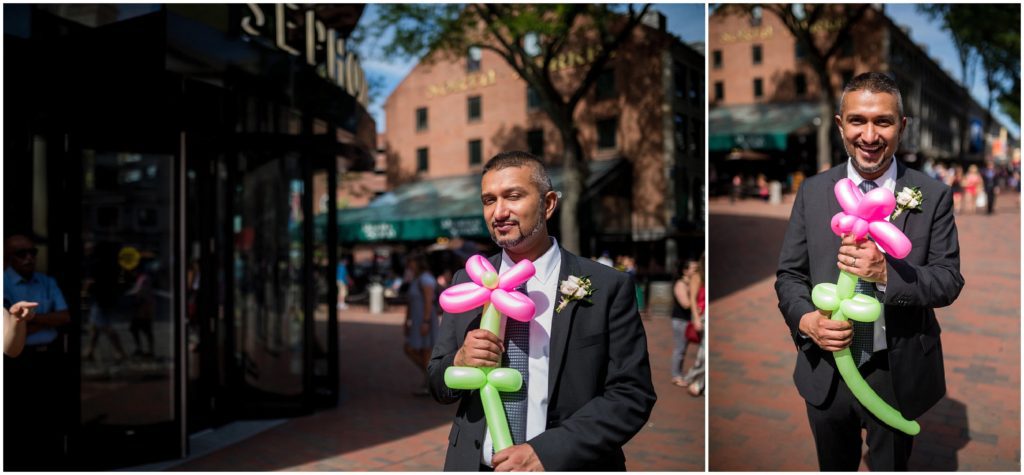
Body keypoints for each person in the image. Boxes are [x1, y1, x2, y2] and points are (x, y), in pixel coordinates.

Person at [776, 73, 963, 471]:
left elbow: (948, 280)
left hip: (894, 368)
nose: (870, 135)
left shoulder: (932, 195)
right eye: (858, 120)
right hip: (826, 369)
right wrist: (807, 321)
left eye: (883, 121)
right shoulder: (812, 191)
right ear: (841, 124)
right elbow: (789, 275)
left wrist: (887, 274)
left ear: (903, 126)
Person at [428, 151, 656, 471]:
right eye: (489, 200)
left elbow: (632, 394)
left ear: (548, 204)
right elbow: (437, 382)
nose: (499, 211)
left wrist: (546, 453)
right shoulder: (467, 281)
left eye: (513, 196)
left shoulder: (606, 286)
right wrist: (459, 361)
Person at [4, 234, 73, 469]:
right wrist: (28, 322)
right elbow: (8, 340)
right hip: (20, 361)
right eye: (21, 254)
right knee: (20, 418)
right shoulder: (3, 284)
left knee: (51, 416)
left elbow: (64, 317)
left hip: (49, 356)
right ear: (7, 257)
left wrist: (29, 321)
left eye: (33, 252)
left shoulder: (46, 281)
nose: (29, 258)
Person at [404, 250, 439, 396]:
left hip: (424, 320)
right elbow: (411, 302)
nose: (408, 265)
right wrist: (407, 320)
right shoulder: (416, 278)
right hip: (418, 320)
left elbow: (428, 301)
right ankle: (430, 379)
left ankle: (431, 381)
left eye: (411, 262)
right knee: (413, 349)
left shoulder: (425, 279)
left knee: (424, 352)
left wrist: (425, 321)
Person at [679, 253, 706, 397]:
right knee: (704, 355)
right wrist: (695, 318)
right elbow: (693, 300)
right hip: (703, 316)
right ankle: (692, 378)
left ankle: (700, 384)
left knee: (706, 354)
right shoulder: (698, 276)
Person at [670, 259, 696, 387]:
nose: (696, 271)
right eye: (694, 269)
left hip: (686, 320)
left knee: (683, 349)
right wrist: (698, 303)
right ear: (685, 271)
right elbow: (685, 304)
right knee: (680, 348)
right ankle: (676, 375)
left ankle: (679, 373)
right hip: (680, 320)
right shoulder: (680, 284)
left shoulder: (690, 283)